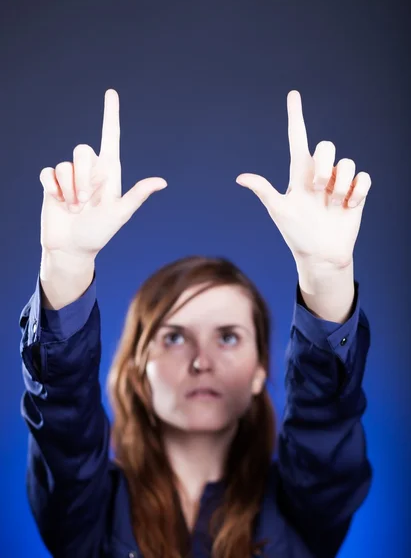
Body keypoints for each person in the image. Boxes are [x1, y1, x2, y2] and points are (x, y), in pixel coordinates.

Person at [19, 89, 373, 558]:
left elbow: (326, 417)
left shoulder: (301, 505)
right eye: (173, 337)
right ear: (137, 367)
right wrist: (66, 266)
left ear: (260, 371)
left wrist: (326, 274)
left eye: (228, 337)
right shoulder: (87, 507)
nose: (202, 361)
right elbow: (61, 418)